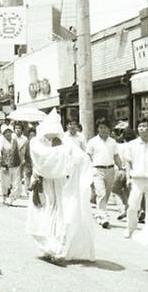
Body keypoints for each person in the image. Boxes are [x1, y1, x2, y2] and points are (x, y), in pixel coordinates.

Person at [26, 109, 97, 262]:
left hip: (60, 183)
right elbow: (42, 159)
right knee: (45, 211)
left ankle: (58, 247)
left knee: (62, 213)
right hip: (43, 182)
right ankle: (47, 247)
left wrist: (80, 160)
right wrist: (63, 153)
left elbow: (79, 156)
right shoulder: (36, 142)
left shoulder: (64, 141)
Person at [123, 118, 148, 239]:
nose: (141, 128)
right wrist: (128, 177)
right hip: (137, 180)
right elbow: (128, 162)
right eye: (139, 126)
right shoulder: (132, 144)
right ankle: (130, 229)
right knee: (132, 206)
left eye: (144, 126)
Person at [87, 118, 122, 229]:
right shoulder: (92, 142)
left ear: (109, 129)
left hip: (110, 170)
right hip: (97, 170)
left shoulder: (113, 142)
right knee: (101, 193)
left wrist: (121, 167)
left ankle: (99, 214)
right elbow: (88, 156)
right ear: (98, 129)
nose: (103, 130)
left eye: (105, 127)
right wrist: (89, 169)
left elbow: (116, 156)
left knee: (106, 194)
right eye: (100, 127)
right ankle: (104, 217)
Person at [0, 124, 22, 206]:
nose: (8, 134)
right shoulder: (0, 141)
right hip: (5, 165)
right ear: (3, 133)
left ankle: (14, 198)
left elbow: (17, 151)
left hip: (15, 163)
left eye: (9, 132)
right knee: (5, 182)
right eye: (6, 132)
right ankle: (4, 197)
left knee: (16, 182)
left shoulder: (15, 140)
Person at [14, 123, 29, 199]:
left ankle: (24, 191)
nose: (17, 129)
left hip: (22, 159)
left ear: (22, 130)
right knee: (15, 176)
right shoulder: (12, 137)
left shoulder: (25, 139)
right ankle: (16, 192)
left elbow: (27, 150)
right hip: (13, 159)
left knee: (21, 176)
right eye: (16, 128)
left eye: (19, 128)